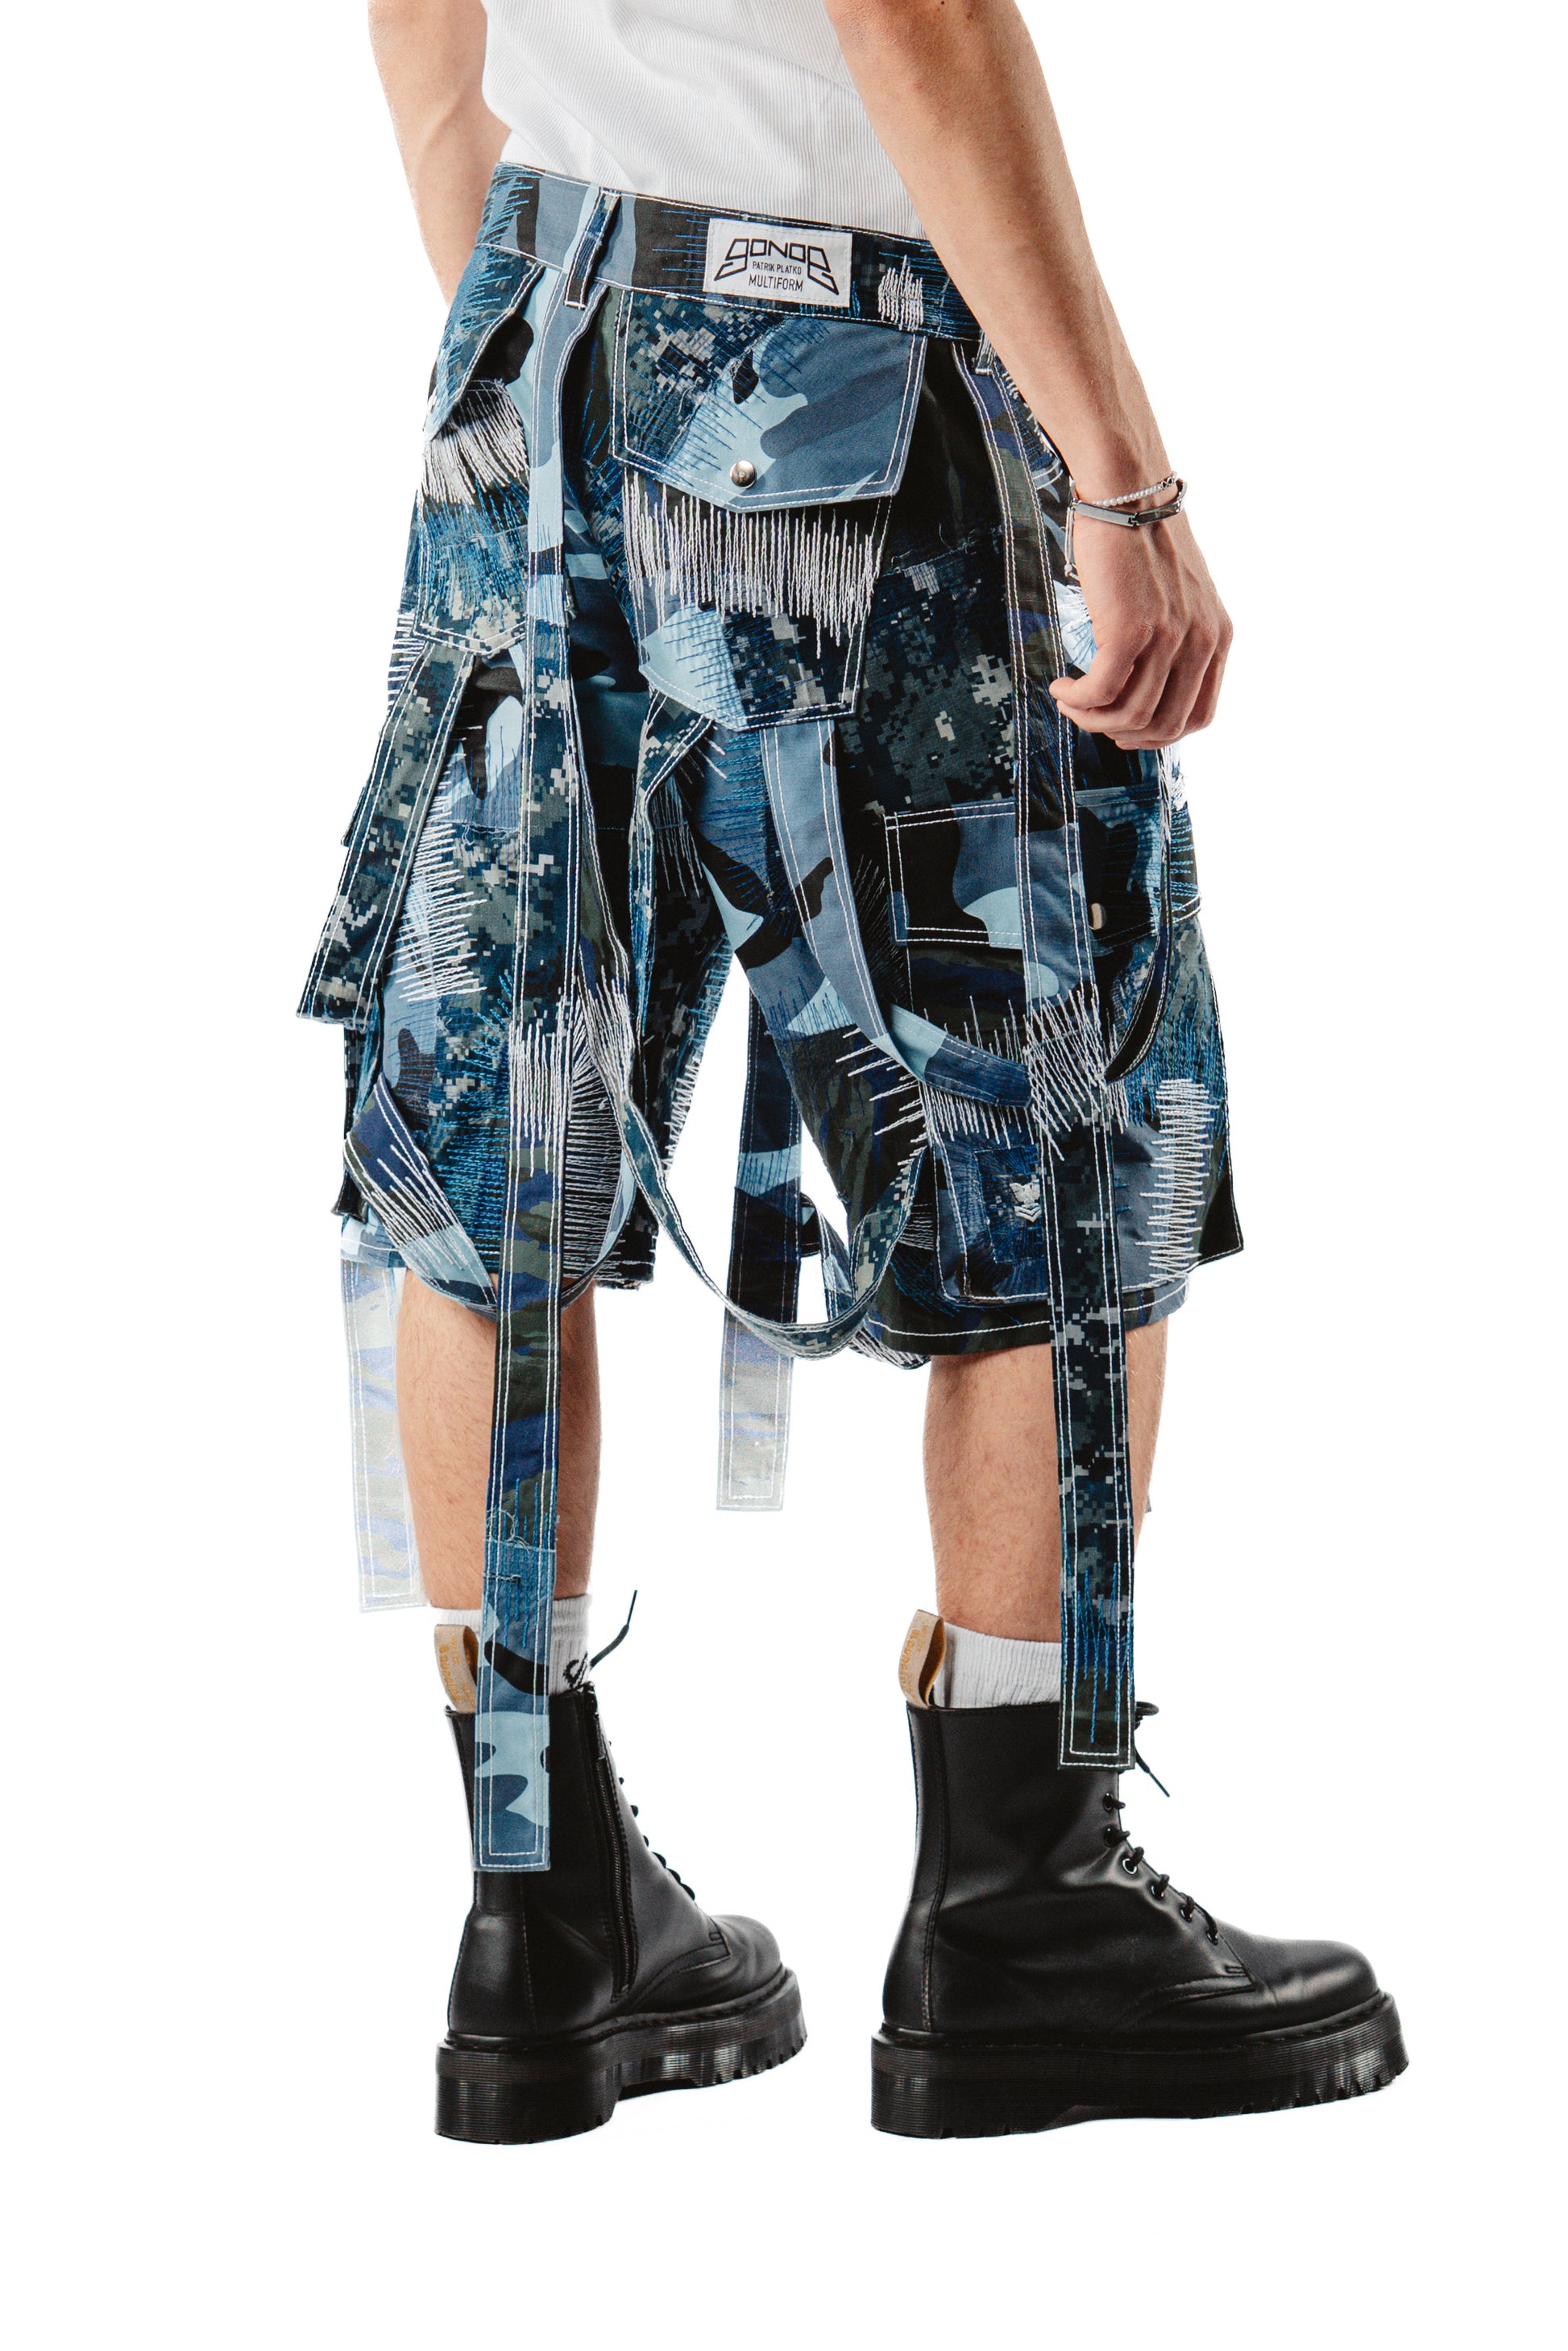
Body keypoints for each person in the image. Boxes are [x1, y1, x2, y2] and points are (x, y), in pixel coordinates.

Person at [301, 0, 1406, 2143]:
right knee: (1057, 1116)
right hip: (854, 368)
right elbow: (913, 13)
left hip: (544, 322)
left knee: (499, 1124)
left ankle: (542, 1916)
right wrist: (1124, 482)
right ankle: (1023, 1905)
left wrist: (564, 341)